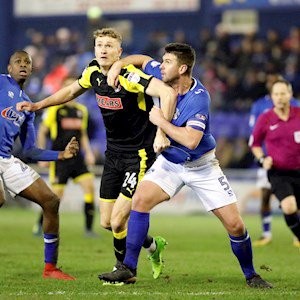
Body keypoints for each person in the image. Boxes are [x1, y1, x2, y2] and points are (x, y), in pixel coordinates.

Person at [98, 43, 272, 288]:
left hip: (202, 166)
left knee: (236, 225)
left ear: (182, 69)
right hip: (170, 164)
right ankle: (128, 267)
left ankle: (252, 275)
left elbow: (191, 140)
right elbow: (141, 58)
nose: (161, 65)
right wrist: (118, 64)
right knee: (139, 201)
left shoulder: (198, 98)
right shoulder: (162, 73)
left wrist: (161, 124)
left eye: (167, 62)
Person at [17, 28, 177, 278]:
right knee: (107, 222)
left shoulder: (130, 77)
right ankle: (154, 246)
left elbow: (168, 93)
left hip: (139, 156)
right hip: (113, 155)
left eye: (109, 46)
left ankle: (124, 269)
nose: (103, 49)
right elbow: (70, 92)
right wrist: (38, 105)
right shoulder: (92, 72)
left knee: (117, 222)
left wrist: (162, 132)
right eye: (99, 45)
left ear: (119, 52)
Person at [0, 50, 79, 280]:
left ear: (32, 69)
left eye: (27, 62)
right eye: (18, 61)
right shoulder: (1, 82)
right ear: (9, 67)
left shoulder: (29, 107)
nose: (23, 65)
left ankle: (50, 268)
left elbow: (30, 150)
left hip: (5, 158)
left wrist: (61, 155)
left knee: (51, 201)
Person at [33, 77, 97, 237]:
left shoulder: (81, 110)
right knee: (55, 197)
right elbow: (42, 131)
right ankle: (39, 225)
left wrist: (88, 152)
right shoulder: (54, 110)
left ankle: (88, 230)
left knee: (89, 187)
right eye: (67, 86)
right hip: (60, 159)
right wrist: (42, 155)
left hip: (77, 159)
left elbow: (82, 134)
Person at [249, 74, 300, 246]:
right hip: (278, 172)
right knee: (289, 207)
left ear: (290, 94)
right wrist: (263, 159)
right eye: (276, 94)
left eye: (283, 93)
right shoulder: (265, 118)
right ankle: (269, 233)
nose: (279, 97)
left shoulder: (299, 113)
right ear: (271, 96)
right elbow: (254, 143)